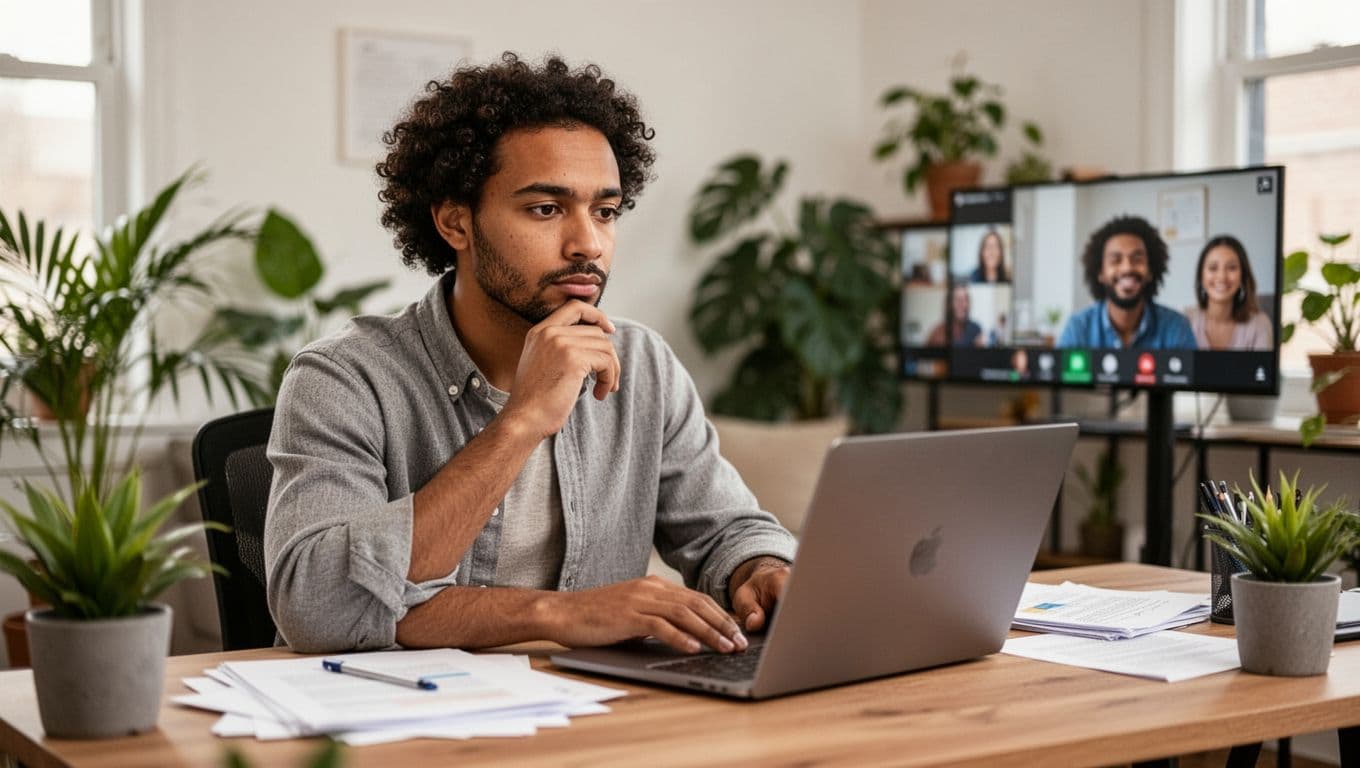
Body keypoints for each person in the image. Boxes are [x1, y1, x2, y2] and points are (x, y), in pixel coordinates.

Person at [263, 53, 796, 656]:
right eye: (546, 209)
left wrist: (760, 569)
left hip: (600, 721)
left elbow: (727, 529)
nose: (588, 244)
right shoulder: (344, 377)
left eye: (605, 211)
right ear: (455, 222)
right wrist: (522, 421)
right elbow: (316, 605)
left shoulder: (642, 363)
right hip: (410, 729)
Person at [1057, 215, 1195, 349]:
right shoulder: (1078, 328)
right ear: (1100, 273)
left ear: (1150, 271)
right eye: (1115, 260)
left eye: (1137, 259)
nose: (1127, 268)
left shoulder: (1176, 327)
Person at [1183, 235, 1272, 350]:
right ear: (1201, 276)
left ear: (1243, 276)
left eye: (1231, 268)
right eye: (1213, 268)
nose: (1222, 277)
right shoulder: (1185, 321)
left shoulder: (1259, 324)